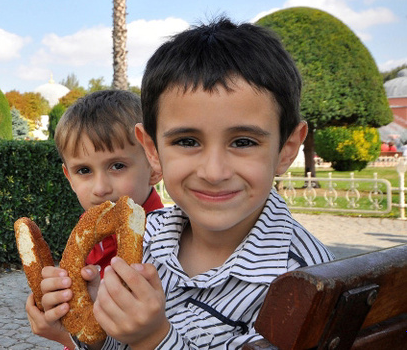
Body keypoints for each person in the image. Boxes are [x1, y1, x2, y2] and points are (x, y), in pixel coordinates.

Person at [40, 18, 335, 350]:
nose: (213, 171)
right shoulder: (147, 235)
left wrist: (154, 339)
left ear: (286, 149)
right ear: (152, 150)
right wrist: (95, 324)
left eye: (243, 142)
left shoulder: (304, 281)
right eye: (187, 141)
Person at [26, 89, 163, 349]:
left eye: (117, 165)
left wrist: (66, 336)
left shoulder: (170, 241)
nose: (100, 188)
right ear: (69, 178)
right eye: (84, 170)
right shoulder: (87, 230)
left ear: (154, 164)